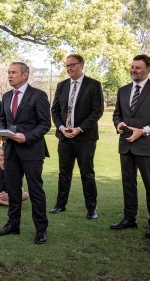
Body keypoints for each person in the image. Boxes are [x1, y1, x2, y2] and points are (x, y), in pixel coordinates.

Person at [111, 54, 150, 239]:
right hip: (126, 146)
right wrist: (118, 124)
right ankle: (130, 219)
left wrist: (144, 130)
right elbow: (117, 114)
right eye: (132, 67)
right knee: (128, 185)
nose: (133, 70)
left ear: (148, 69)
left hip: (147, 146)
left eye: (138, 68)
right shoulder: (123, 90)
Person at [0, 62, 51, 244]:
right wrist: (3, 132)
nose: (9, 75)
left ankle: (41, 230)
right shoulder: (7, 96)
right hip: (11, 150)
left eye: (13, 73)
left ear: (25, 75)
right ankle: (13, 224)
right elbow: (2, 119)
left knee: (35, 190)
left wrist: (26, 137)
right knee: (13, 189)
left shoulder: (38, 95)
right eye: (8, 72)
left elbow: (45, 124)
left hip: (31, 150)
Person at [50, 54, 104, 219]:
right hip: (65, 138)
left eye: (73, 65)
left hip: (85, 138)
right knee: (63, 173)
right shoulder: (62, 85)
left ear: (81, 64)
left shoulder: (93, 85)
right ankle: (60, 204)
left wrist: (79, 129)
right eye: (67, 66)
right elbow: (55, 110)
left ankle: (91, 209)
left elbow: (97, 111)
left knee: (87, 173)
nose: (69, 68)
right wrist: (61, 127)